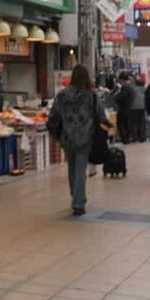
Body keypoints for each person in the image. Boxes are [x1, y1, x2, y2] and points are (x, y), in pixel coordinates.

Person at [48, 64, 107, 216]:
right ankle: (78, 202)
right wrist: (107, 125)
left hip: (67, 137)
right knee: (81, 169)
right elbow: (101, 115)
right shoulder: (91, 95)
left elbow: (54, 115)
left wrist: (56, 133)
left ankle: (75, 195)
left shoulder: (62, 95)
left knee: (72, 167)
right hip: (85, 137)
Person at [113, 73, 135, 143]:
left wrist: (116, 96)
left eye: (119, 80)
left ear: (122, 79)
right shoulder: (131, 86)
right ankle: (127, 138)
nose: (119, 81)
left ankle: (125, 139)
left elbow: (121, 97)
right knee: (127, 124)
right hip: (130, 108)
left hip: (124, 108)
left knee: (121, 123)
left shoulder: (125, 87)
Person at [129, 74, 147, 143]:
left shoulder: (133, 89)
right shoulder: (144, 89)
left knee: (134, 122)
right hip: (142, 107)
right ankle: (143, 137)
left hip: (134, 107)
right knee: (142, 121)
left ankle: (135, 137)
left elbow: (130, 98)